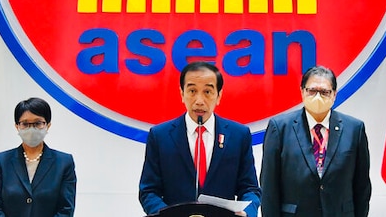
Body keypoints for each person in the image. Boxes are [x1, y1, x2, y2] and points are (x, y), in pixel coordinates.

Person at [139, 61, 261, 217]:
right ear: (182, 94)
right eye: (192, 91)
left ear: (219, 96)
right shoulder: (160, 135)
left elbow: (250, 189)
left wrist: (246, 213)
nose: (199, 101)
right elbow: (148, 191)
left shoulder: (239, 135)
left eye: (208, 92)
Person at [260, 65, 371, 217]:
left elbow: (362, 187)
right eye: (312, 91)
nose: (318, 97)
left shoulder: (354, 129)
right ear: (302, 92)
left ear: (334, 95)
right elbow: (269, 188)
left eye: (325, 92)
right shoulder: (279, 128)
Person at [0, 97, 76, 217]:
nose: (31, 129)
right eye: (25, 124)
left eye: (38, 123)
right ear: (17, 126)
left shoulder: (64, 162)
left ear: (48, 125)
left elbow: (66, 209)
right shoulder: (2, 161)